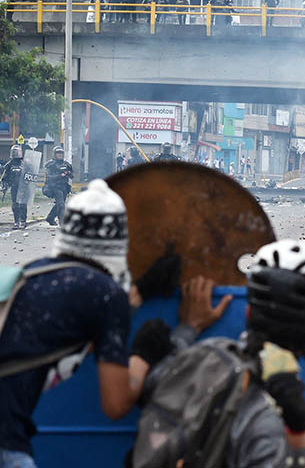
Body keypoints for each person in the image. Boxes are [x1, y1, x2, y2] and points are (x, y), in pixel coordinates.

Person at [0, 179, 194, 467]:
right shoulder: (106, 296)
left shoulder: (31, 274)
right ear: (119, 242)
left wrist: (138, 292)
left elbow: (71, 319)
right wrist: (144, 353)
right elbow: (115, 404)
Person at [133, 240, 305, 468]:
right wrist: (297, 429)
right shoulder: (270, 420)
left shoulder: (203, 356)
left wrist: (186, 330)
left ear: (248, 313)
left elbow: (152, 386)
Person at [43, 145, 73, 227]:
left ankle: (50, 218)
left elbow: (72, 175)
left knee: (60, 204)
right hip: (54, 187)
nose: (59, 155)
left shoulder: (66, 164)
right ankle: (62, 222)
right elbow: (49, 177)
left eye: (61, 153)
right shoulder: (50, 164)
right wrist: (61, 175)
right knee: (61, 204)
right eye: (58, 153)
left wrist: (68, 173)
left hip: (64, 188)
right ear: (54, 154)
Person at [1, 145, 26, 229]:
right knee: (15, 205)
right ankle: (16, 222)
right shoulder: (9, 164)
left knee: (22, 204)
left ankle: (23, 221)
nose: (15, 153)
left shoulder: (25, 163)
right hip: (14, 187)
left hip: (23, 187)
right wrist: (4, 185)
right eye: (14, 152)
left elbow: (31, 173)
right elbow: (4, 177)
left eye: (16, 151)